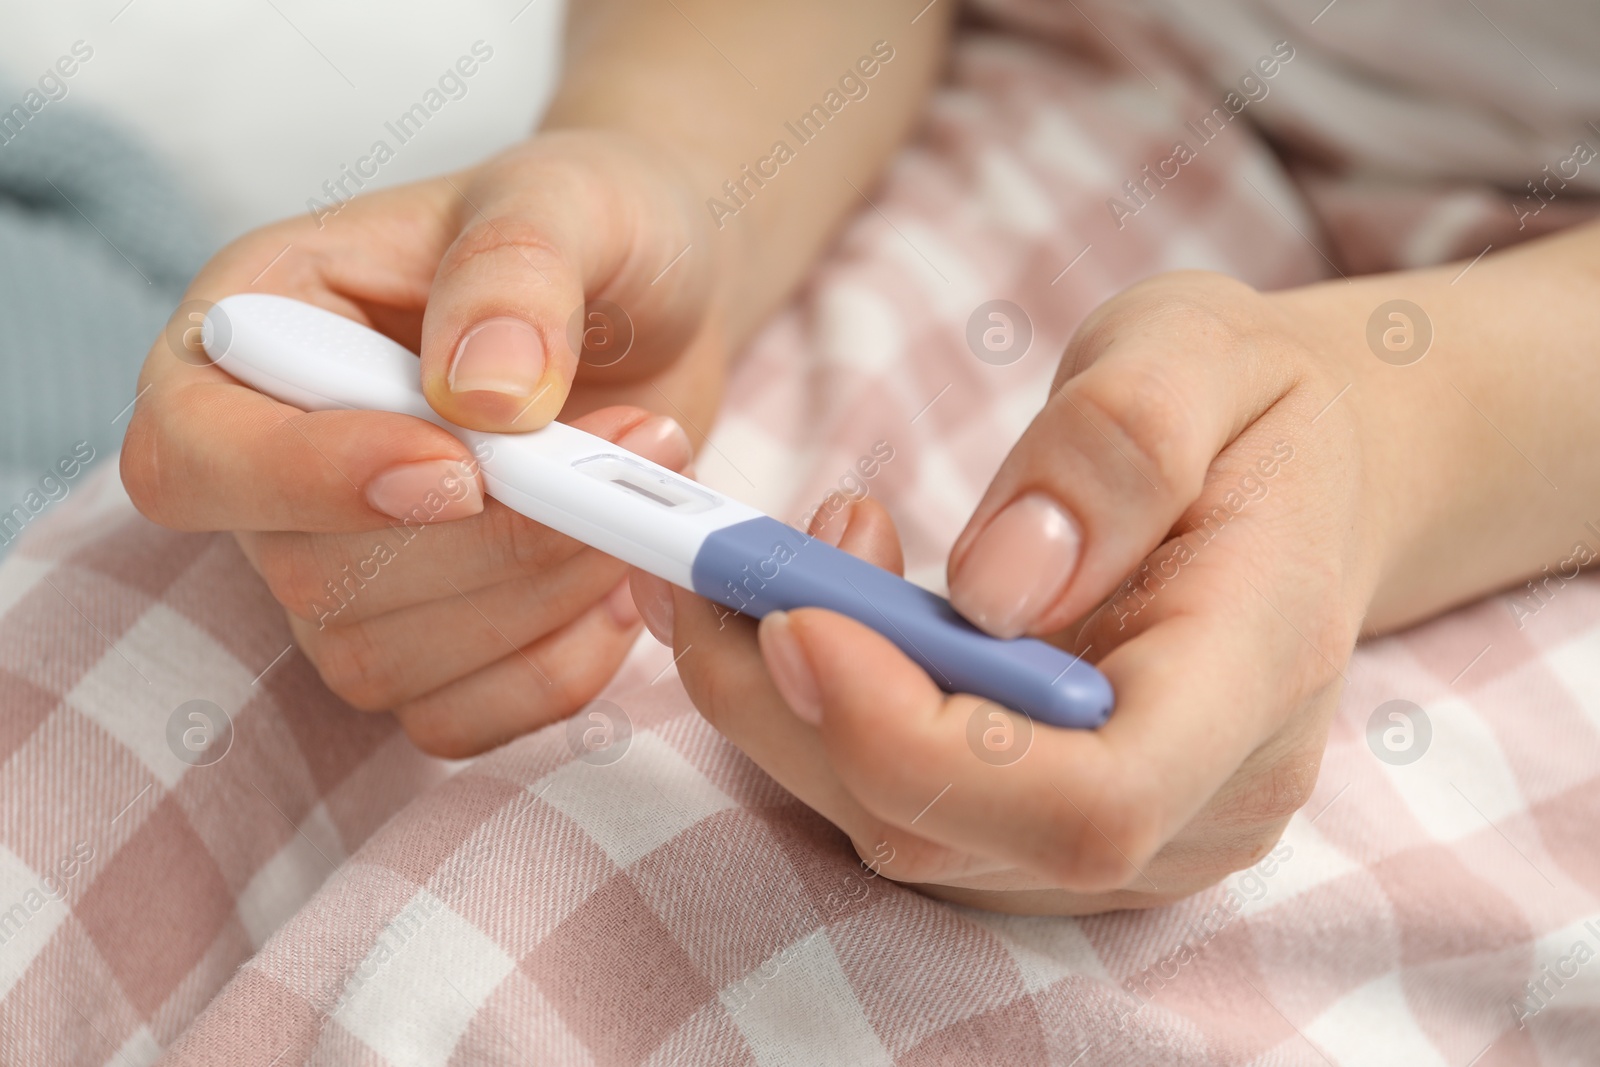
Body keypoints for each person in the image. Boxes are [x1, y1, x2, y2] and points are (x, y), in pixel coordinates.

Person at [122, 0, 1600, 917]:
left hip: (1537, 393)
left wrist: (1390, 433)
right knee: (166, 633)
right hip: (981, 90)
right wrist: (672, 169)